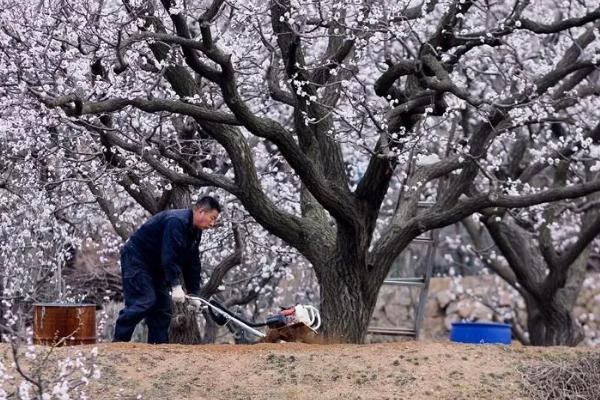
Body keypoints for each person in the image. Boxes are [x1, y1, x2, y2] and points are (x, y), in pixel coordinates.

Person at [113, 196, 221, 344]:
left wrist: (194, 293)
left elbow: (193, 263)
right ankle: (119, 342)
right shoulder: (176, 221)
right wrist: (176, 285)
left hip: (157, 266)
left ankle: (158, 350)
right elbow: (169, 256)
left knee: (163, 308)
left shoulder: (195, 231)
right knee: (145, 300)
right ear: (201, 212)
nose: (213, 224)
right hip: (137, 260)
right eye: (212, 218)